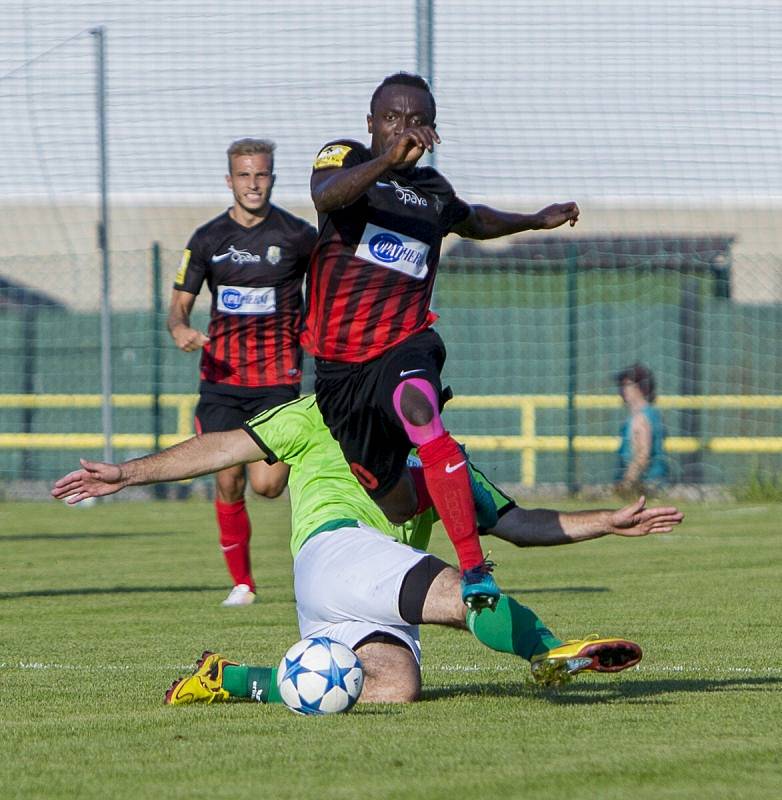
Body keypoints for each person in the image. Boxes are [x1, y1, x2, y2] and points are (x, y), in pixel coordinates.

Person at [52, 397, 683, 703]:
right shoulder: (318, 414)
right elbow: (217, 448)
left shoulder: (443, 456)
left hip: (372, 596)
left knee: (390, 687)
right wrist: (126, 474)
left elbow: (516, 522)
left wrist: (605, 521)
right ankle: (549, 654)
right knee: (467, 591)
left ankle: (229, 679)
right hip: (338, 554)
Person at [303, 71, 581, 610]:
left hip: (405, 344)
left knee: (422, 412)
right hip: (340, 373)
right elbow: (325, 195)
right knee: (401, 506)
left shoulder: (433, 192)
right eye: (392, 118)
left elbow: (473, 220)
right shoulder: (344, 158)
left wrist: (533, 220)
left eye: (417, 120)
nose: (404, 128)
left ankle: (475, 568)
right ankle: (443, 478)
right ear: (371, 124)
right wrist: (385, 161)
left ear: (432, 130)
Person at [167, 138, 317, 606]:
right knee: (227, 478)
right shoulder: (207, 240)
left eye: (262, 174)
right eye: (244, 175)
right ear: (229, 180)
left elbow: (331, 285)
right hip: (222, 382)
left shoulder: (298, 236)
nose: (253, 184)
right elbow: (179, 308)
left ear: (272, 177)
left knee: (268, 486)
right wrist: (180, 329)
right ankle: (243, 584)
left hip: (277, 380)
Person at [615, 363, 668, 496]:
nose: (622, 390)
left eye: (626, 385)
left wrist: (626, 484)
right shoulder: (653, 414)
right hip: (654, 483)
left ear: (641, 388)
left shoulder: (641, 418)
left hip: (646, 485)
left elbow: (642, 456)